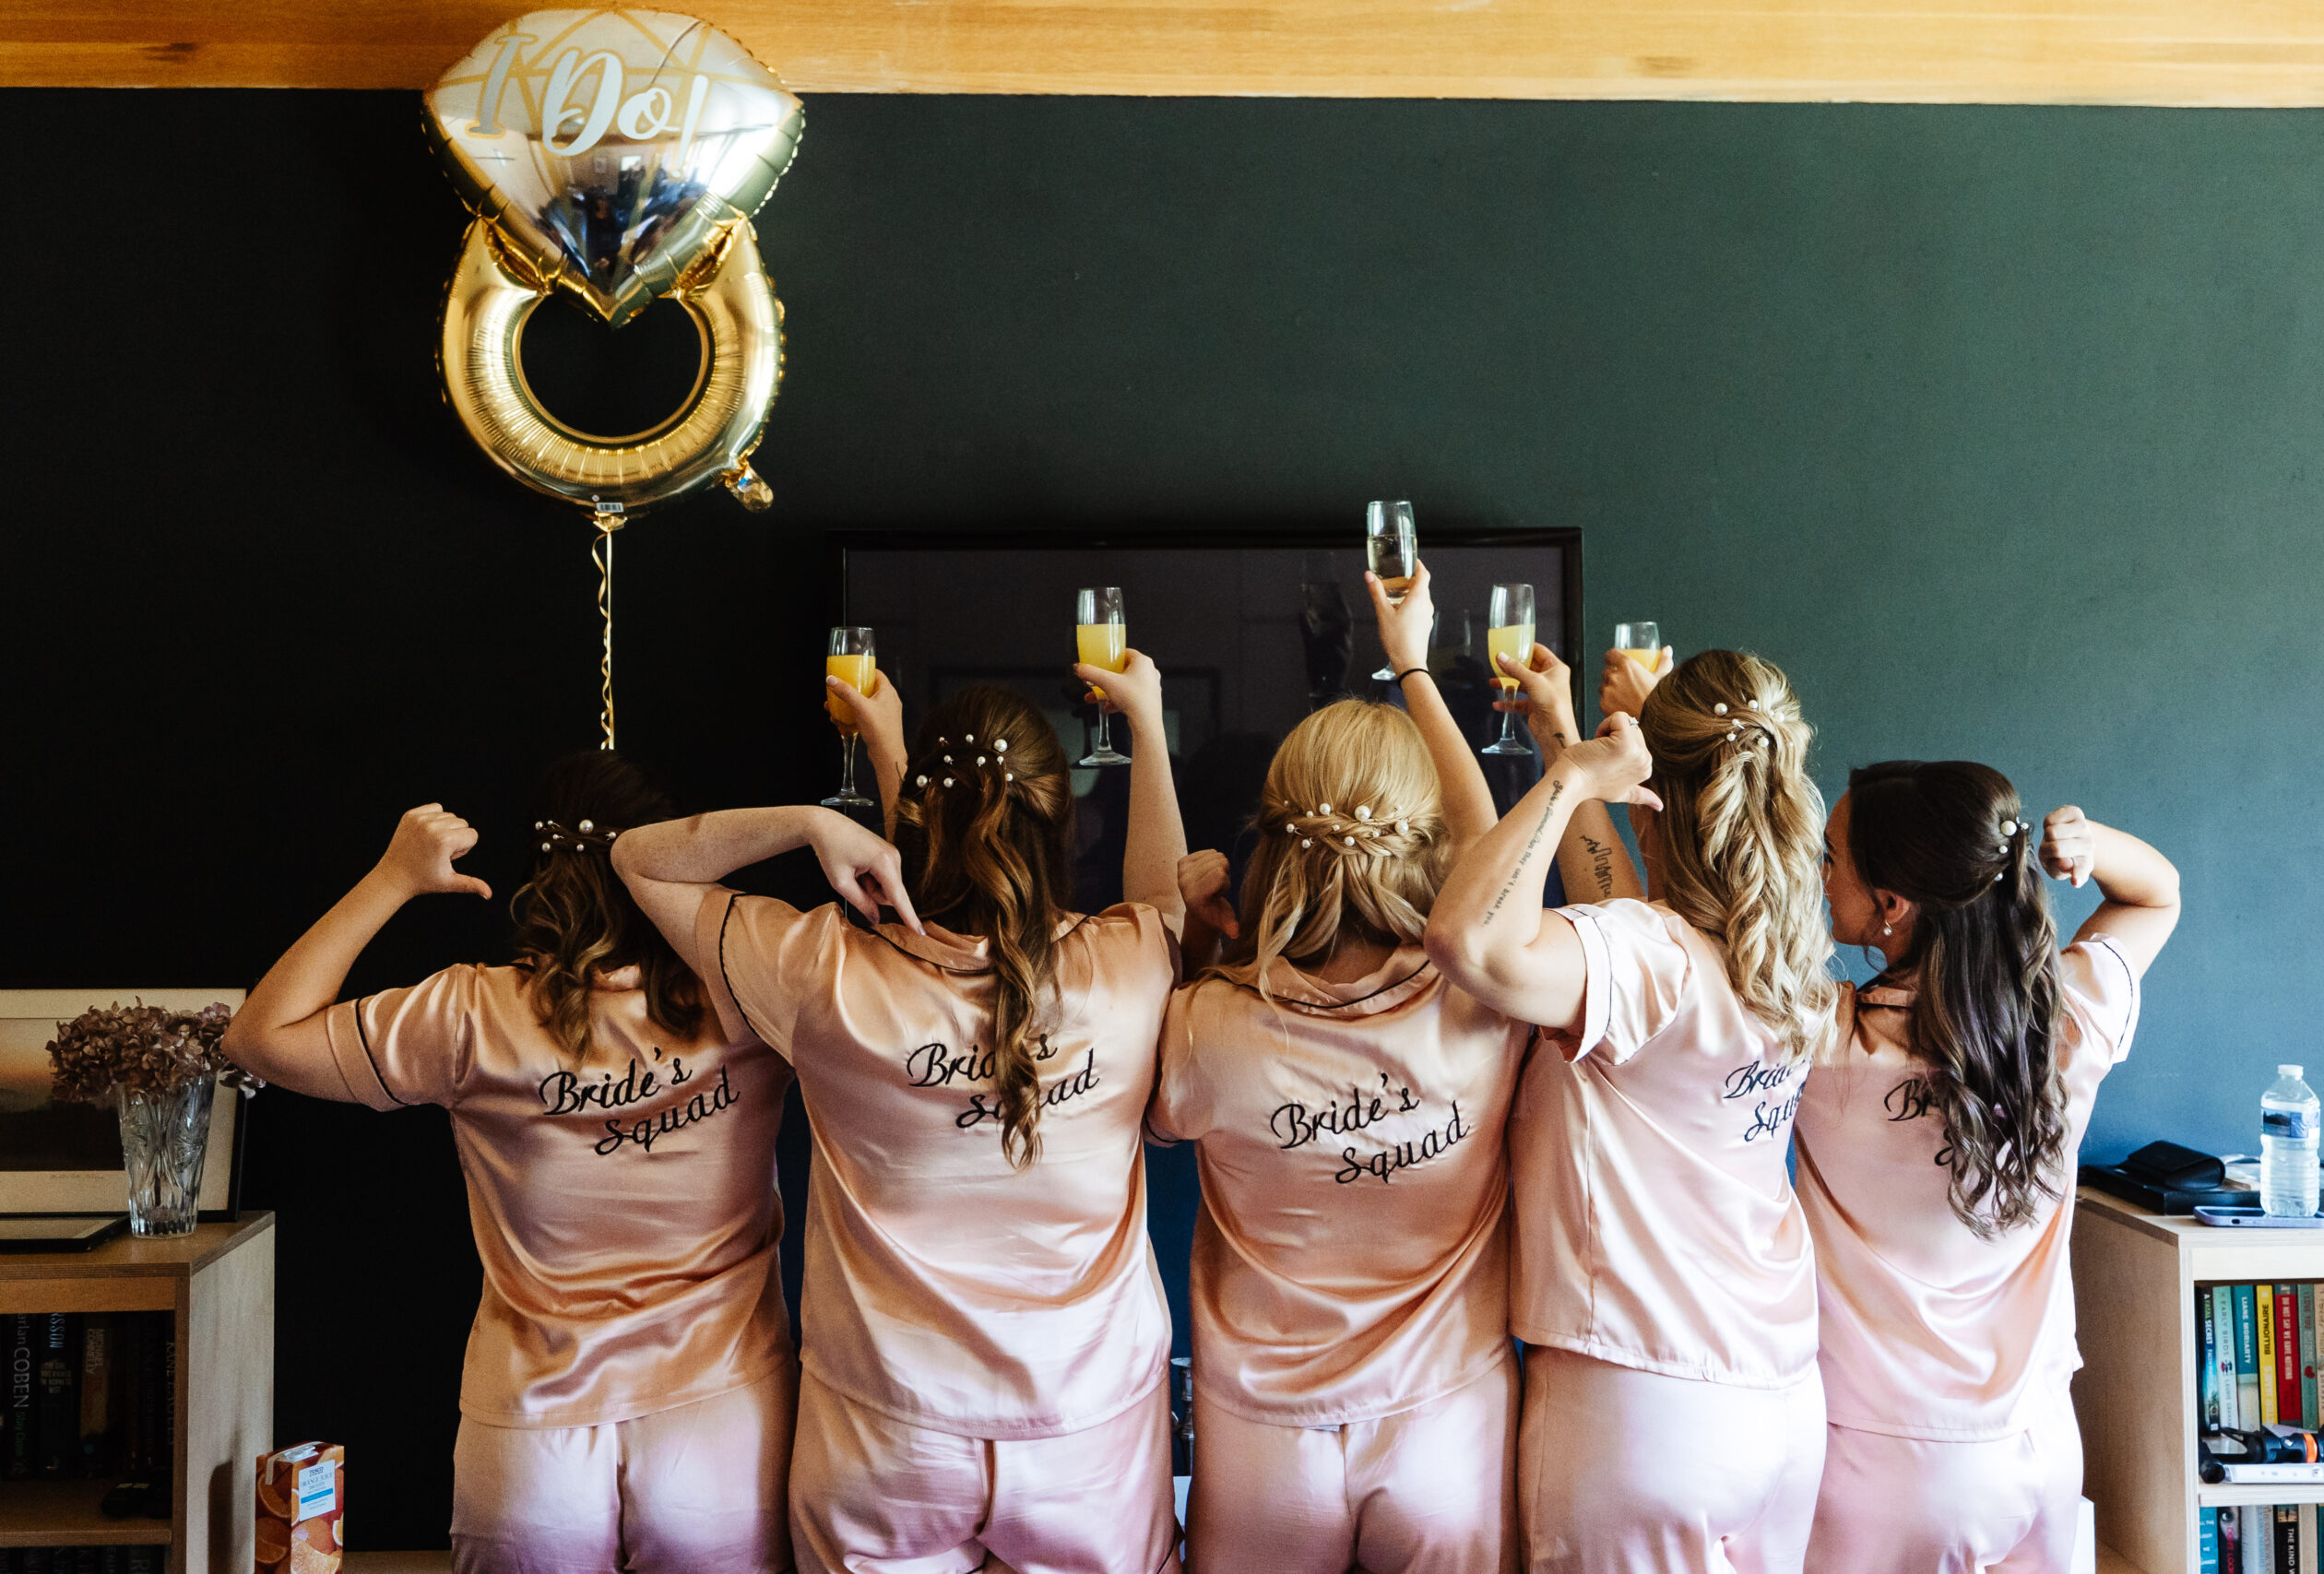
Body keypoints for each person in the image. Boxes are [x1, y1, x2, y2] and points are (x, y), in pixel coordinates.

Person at [612, 651, 1189, 1574]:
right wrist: (1150, 725)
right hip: (1086, 1433)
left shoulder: (819, 973)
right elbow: (1164, 898)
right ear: (1063, 826)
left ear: (913, 825)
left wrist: (811, 823)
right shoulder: (1130, 967)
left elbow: (637, 858)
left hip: (885, 1434)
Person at [222, 751, 798, 1574]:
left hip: (532, 1435)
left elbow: (257, 1038)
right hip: (722, 1421)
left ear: (542, 869)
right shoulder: (745, 992)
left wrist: (391, 878)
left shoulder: (471, 1012)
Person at [1423, 644, 1838, 1574]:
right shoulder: (1784, 952)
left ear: (1656, 793)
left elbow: (1468, 941)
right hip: (1778, 1406)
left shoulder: (1650, 957)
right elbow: (1614, 916)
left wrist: (1571, 776)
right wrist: (1560, 737)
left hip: (1640, 1406)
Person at [1152, 563, 1520, 1574]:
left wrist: (1199, 938)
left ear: (1269, 833)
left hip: (1263, 1437)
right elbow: (1489, 846)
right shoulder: (1482, 997)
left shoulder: (1209, 1021)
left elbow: (1153, 1066)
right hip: (1446, 1423)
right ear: (1425, 837)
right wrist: (1410, 660)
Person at [1796, 763, 2177, 1573]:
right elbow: (2156, 895)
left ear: (1892, 905)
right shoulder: (2068, 1016)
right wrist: (2090, 843)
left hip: (1884, 1464)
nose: (1819, 875)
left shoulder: (1825, 1041)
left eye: (1831, 857)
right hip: (2039, 1450)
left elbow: (1673, 943)